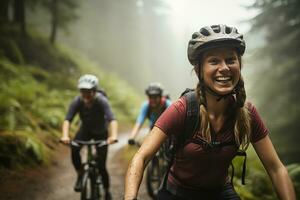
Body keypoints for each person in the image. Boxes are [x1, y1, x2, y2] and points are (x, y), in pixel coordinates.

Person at [124, 25, 296, 200]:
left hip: (220, 193)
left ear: (239, 64)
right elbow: (142, 157)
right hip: (177, 193)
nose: (224, 68)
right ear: (199, 70)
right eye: (214, 61)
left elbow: (276, 168)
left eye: (231, 60)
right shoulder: (183, 109)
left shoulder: (247, 113)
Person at [60, 74, 118, 200]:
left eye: (88, 92)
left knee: (102, 166)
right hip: (85, 130)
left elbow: (112, 119)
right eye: (82, 91)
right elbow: (67, 120)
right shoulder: (77, 101)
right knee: (74, 148)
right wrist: (65, 135)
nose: (85, 95)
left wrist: (113, 136)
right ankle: (80, 174)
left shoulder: (101, 100)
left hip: (101, 132)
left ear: (94, 91)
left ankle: (107, 191)